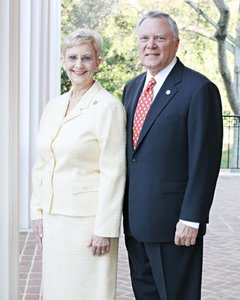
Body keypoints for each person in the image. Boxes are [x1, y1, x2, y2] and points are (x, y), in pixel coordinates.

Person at [122, 11, 223, 300]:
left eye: (159, 38)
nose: (150, 45)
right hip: (136, 222)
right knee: (145, 294)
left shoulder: (198, 89)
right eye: (144, 38)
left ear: (176, 43)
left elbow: (205, 160)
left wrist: (192, 218)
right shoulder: (132, 88)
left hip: (174, 225)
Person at [31, 28, 126, 300]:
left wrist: (104, 229)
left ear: (98, 62)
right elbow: (42, 163)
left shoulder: (108, 107)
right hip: (53, 218)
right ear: (63, 60)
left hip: (88, 223)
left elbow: (114, 171)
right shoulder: (53, 107)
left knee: (88, 291)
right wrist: (37, 212)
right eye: (72, 57)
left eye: (86, 58)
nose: (79, 65)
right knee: (56, 291)